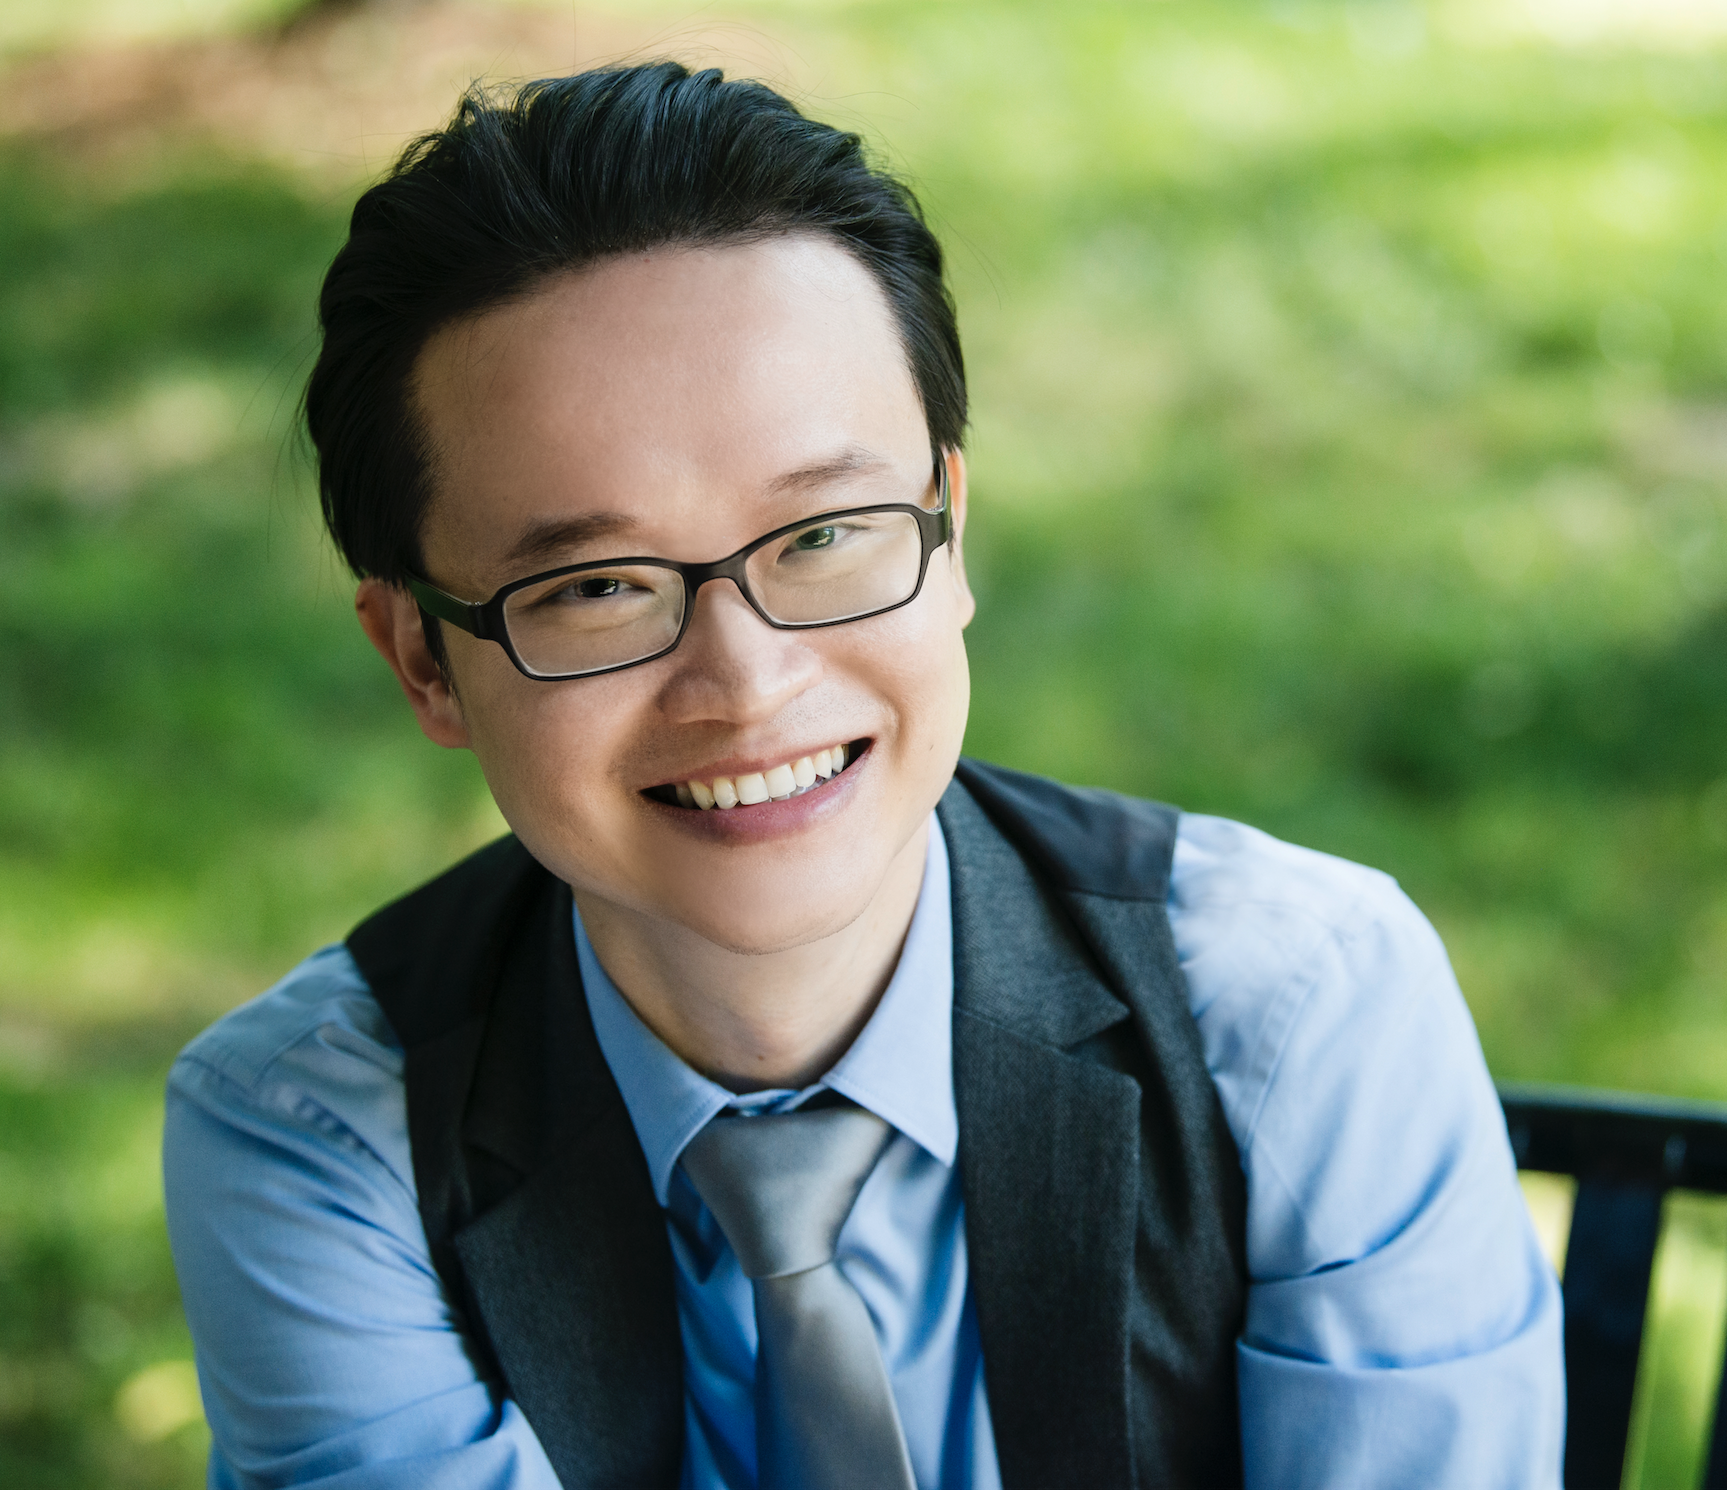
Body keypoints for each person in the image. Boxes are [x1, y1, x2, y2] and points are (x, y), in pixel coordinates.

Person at [163, 62, 1565, 1490]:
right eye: (594, 585)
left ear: (949, 531)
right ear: (419, 656)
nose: (746, 683)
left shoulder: (1301, 1017)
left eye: (825, 534)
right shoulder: (320, 1139)